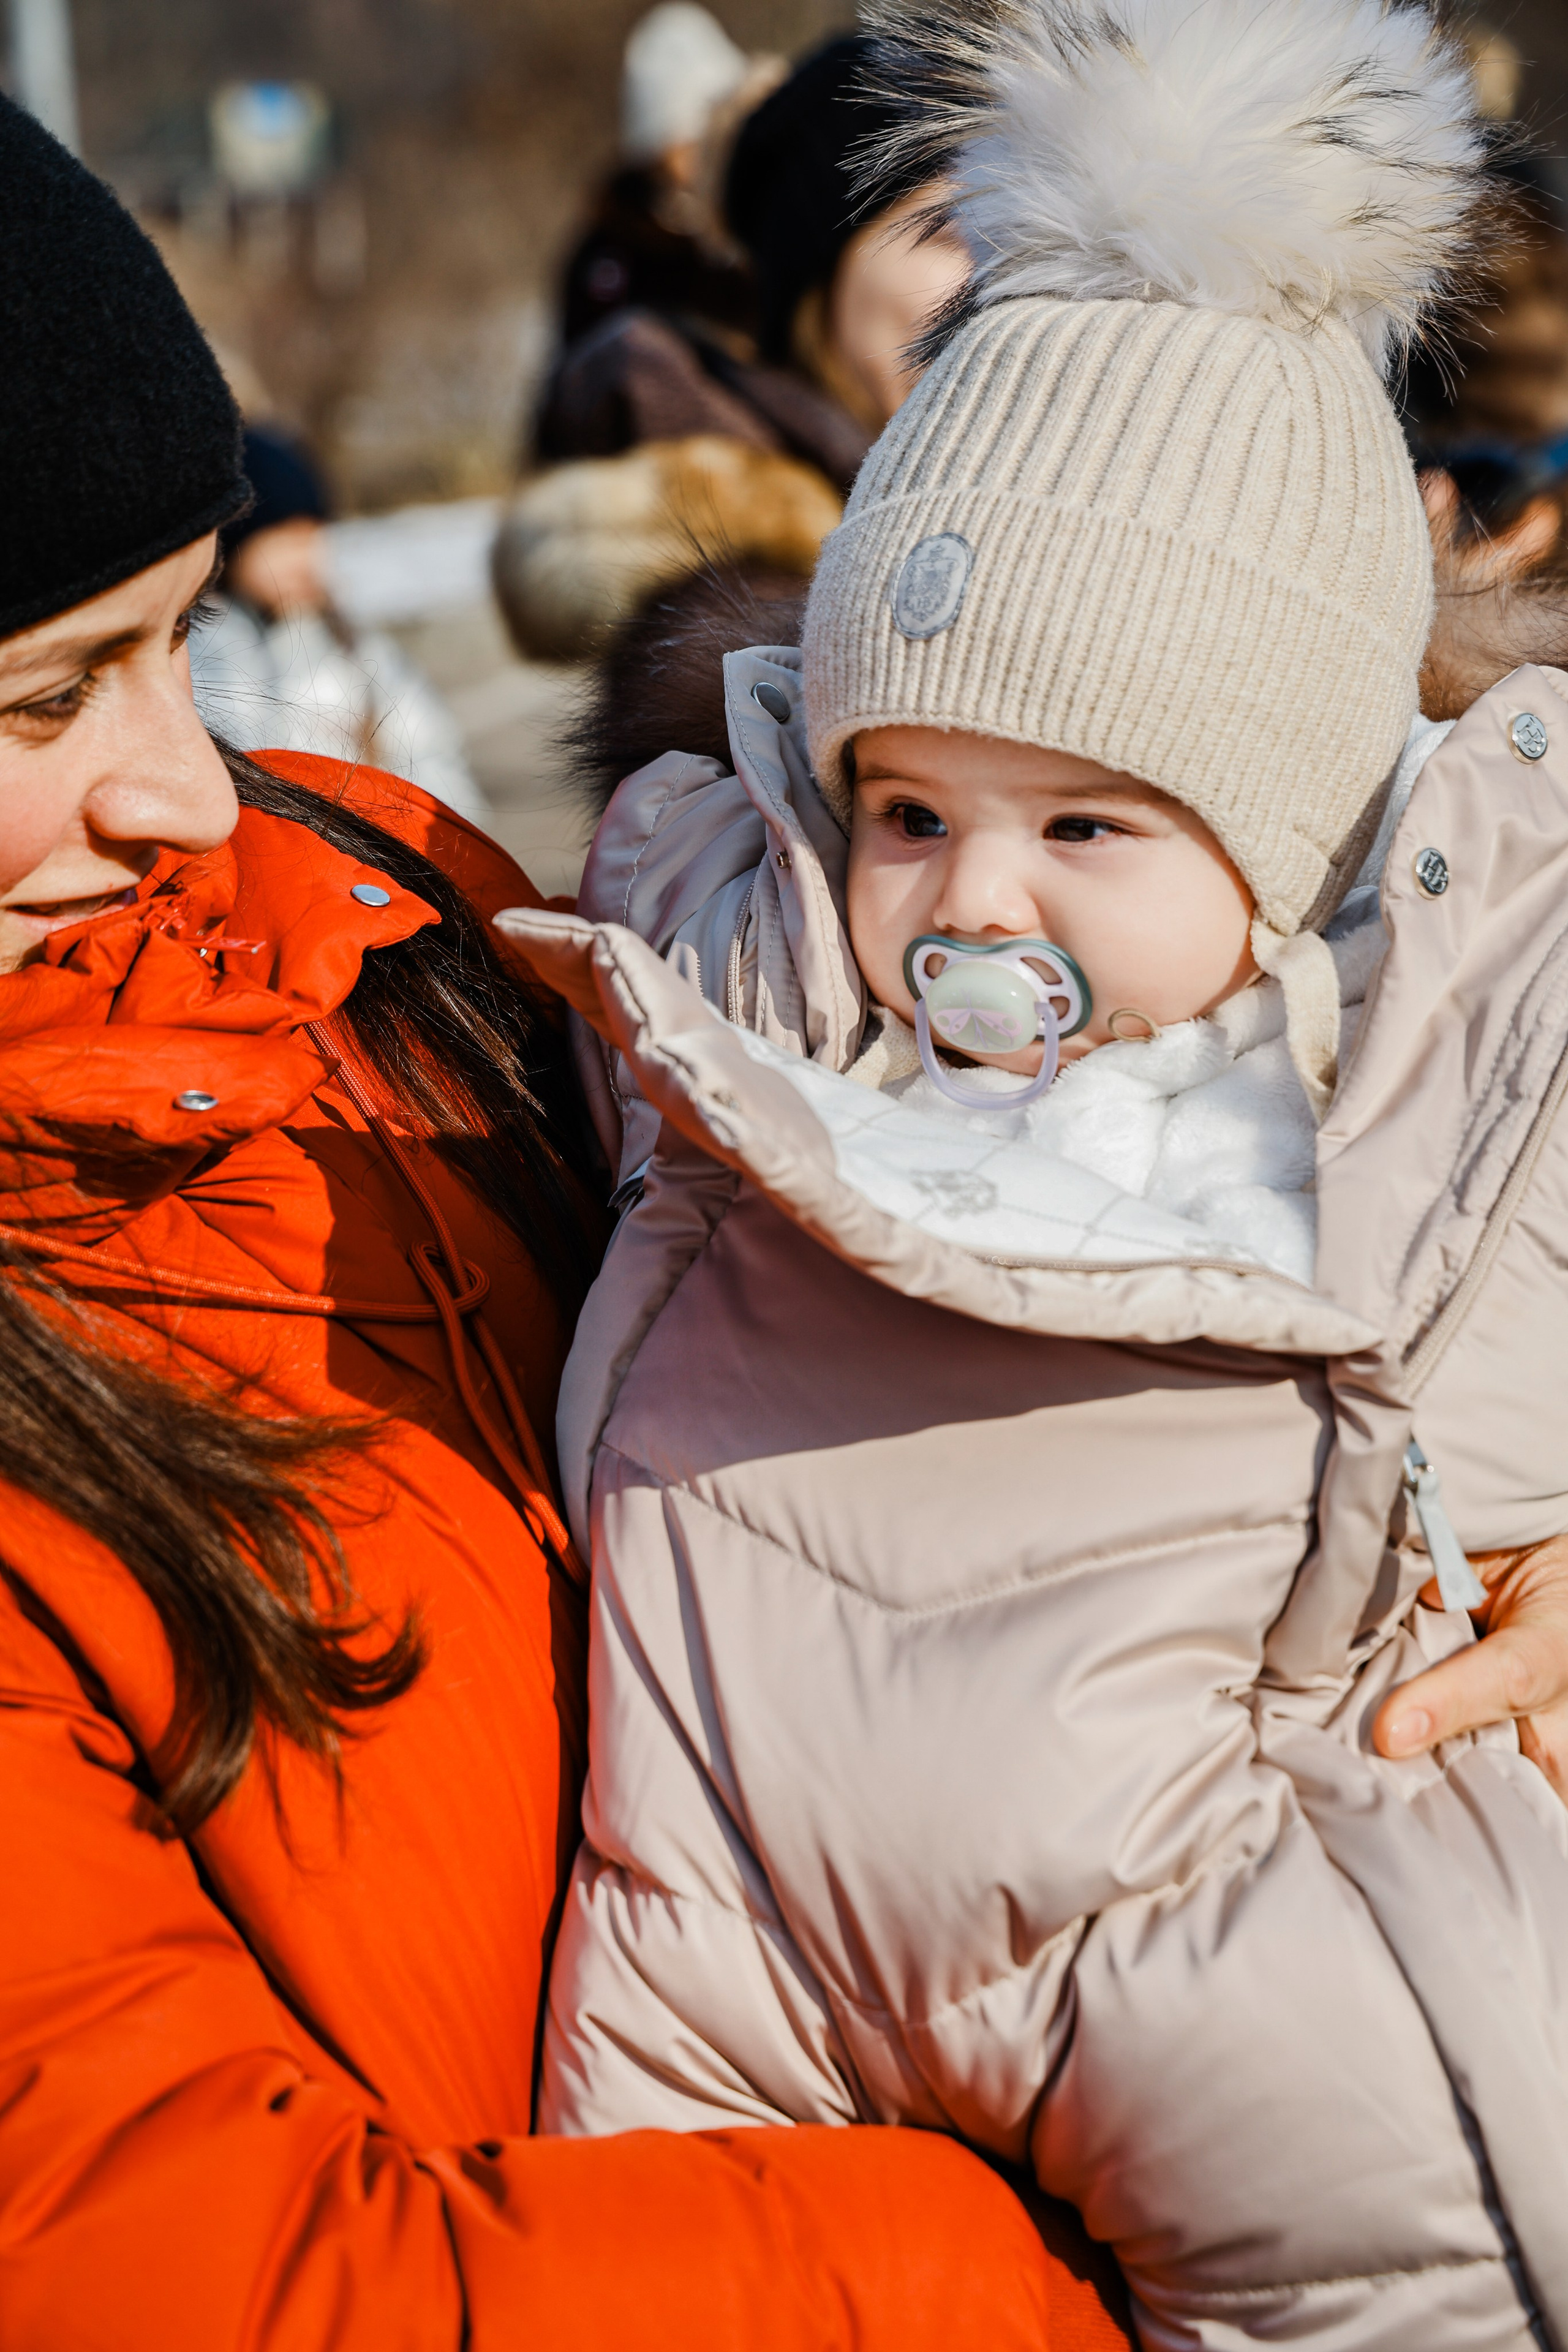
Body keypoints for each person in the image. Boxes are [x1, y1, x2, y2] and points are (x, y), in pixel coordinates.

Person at [499, 2, 1568, 2343]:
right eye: (908, 811)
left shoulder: (1428, 1060)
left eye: (1085, 826)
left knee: (1452, 2187)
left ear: (1289, 843)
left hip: (1206, 1911)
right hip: (718, 1922)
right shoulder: (738, 995)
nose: (972, 905)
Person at [0, 92, 1104, 2351]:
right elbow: (216, 2271)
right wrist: (1083, 2266)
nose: (182, 788)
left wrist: (1470, 1524)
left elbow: (972, 1343)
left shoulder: (380, 900)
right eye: (41, 695)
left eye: (181, 641)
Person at [499, 35, 969, 662]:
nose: (1000, 280)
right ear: (817, 273)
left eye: (1021, 235)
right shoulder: (741, 612)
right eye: (950, 229)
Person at [189, 422, 492, 828]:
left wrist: (440, 846)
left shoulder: (350, 644)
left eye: (313, 536)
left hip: (388, 868)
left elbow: (429, 751)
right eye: (283, 540)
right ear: (230, 543)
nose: (306, 560)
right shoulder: (203, 656)